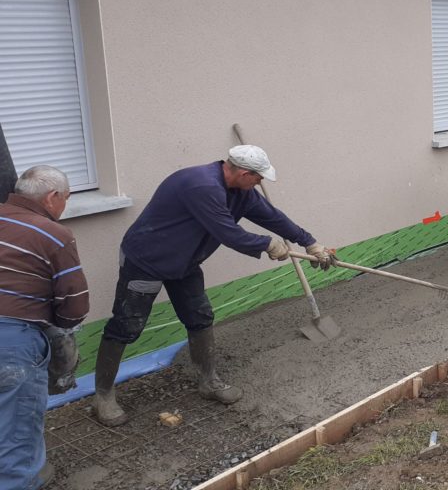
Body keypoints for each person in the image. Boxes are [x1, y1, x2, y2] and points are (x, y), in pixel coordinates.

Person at [92, 145, 334, 427]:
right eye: (258, 178)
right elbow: (227, 233)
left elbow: (272, 216)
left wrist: (310, 242)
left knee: (200, 316)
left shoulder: (241, 192)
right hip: (148, 259)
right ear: (243, 173)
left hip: (185, 263)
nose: (260, 183)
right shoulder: (201, 186)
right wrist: (266, 244)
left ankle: (208, 381)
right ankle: (103, 396)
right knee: (127, 324)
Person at [0, 166, 89, 489]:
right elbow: (75, 302)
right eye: (66, 199)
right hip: (10, 341)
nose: (64, 206)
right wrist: (59, 329)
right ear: (53, 197)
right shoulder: (52, 233)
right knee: (16, 440)